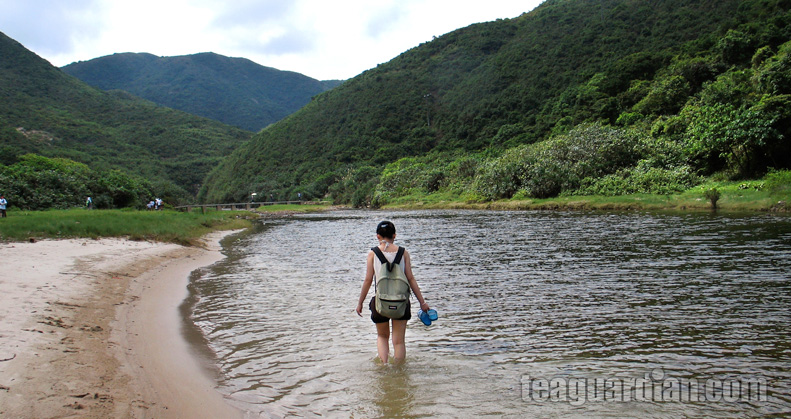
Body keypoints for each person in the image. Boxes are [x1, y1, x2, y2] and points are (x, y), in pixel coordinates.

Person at [356, 220, 430, 364]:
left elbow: (367, 280)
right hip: (401, 303)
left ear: (378, 236)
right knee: (399, 342)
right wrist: (422, 302)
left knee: (382, 337)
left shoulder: (373, 253)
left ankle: (384, 366)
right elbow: (411, 279)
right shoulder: (403, 253)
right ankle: (399, 371)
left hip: (380, 303)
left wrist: (360, 303)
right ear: (394, 235)